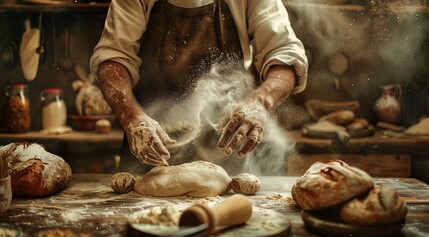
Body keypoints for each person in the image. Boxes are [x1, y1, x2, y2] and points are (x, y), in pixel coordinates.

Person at [90, 0, 308, 171]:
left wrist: (259, 101)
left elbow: (285, 54)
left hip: (225, 148)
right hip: (149, 148)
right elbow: (113, 57)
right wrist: (132, 117)